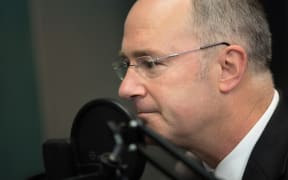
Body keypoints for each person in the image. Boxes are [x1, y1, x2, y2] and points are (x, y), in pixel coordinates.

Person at [112, 0, 288, 179]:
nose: (125, 89)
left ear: (228, 68)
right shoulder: (188, 173)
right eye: (126, 64)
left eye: (150, 64)